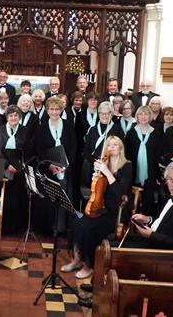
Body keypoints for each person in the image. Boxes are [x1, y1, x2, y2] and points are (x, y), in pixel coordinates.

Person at [62, 136, 133, 279]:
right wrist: (96, 175)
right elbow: (94, 187)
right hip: (101, 207)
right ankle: (77, 259)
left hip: (117, 211)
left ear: (120, 148)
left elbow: (121, 194)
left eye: (115, 145)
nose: (111, 147)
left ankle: (89, 265)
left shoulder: (127, 166)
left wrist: (106, 172)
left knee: (89, 228)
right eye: (109, 145)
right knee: (77, 220)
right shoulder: (103, 163)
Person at [124, 160, 173, 249]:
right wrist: (148, 220)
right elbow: (163, 222)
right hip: (152, 240)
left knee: (111, 246)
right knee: (111, 237)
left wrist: (151, 235)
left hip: (159, 250)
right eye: (170, 179)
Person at [34, 96, 77, 233]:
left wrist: (66, 164)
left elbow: (73, 146)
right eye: (51, 109)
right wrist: (49, 166)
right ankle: (49, 228)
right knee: (50, 198)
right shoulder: (42, 127)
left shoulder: (68, 124)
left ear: (61, 109)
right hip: (49, 169)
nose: (54, 112)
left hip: (65, 168)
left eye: (57, 109)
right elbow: (39, 149)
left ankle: (61, 228)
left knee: (64, 196)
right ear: (47, 111)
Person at [0, 105, 30, 235]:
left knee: (19, 199)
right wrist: (7, 166)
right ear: (7, 117)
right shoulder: (0, 130)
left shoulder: (25, 130)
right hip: (4, 169)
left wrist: (20, 166)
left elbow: (29, 150)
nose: (13, 118)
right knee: (5, 199)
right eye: (10, 115)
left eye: (16, 115)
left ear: (19, 117)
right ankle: (4, 227)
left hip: (20, 170)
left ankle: (18, 228)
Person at [125, 105, 162, 215]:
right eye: (141, 114)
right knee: (131, 202)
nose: (143, 116)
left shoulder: (156, 133)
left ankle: (144, 225)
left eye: (146, 114)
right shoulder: (131, 133)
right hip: (133, 172)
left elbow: (157, 155)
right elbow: (127, 155)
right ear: (137, 116)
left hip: (150, 173)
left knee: (148, 202)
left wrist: (157, 176)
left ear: (150, 116)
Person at [82, 102, 123, 185]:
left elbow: (121, 151)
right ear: (98, 113)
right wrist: (95, 162)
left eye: (107, 113)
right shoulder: (93, 130)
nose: (104, 116)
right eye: (102, 113)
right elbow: (86, 151)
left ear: (111, 114)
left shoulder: (118, 130)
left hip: (110, 168)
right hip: (92, 167)